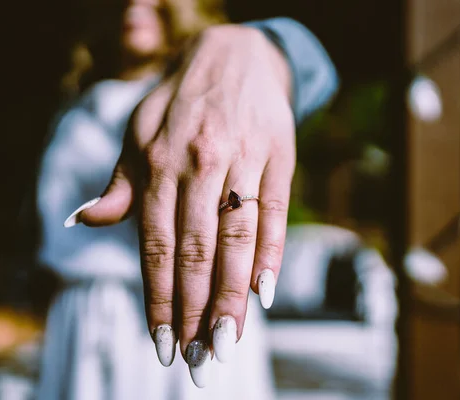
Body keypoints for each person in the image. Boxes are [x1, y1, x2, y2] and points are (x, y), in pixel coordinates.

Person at [36, 0, 338, 398]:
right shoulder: (79, 101)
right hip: (77, 313)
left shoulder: (206, 98)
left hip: (175, 309)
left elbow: (317, 72)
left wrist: (258, 48)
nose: (136, 4)